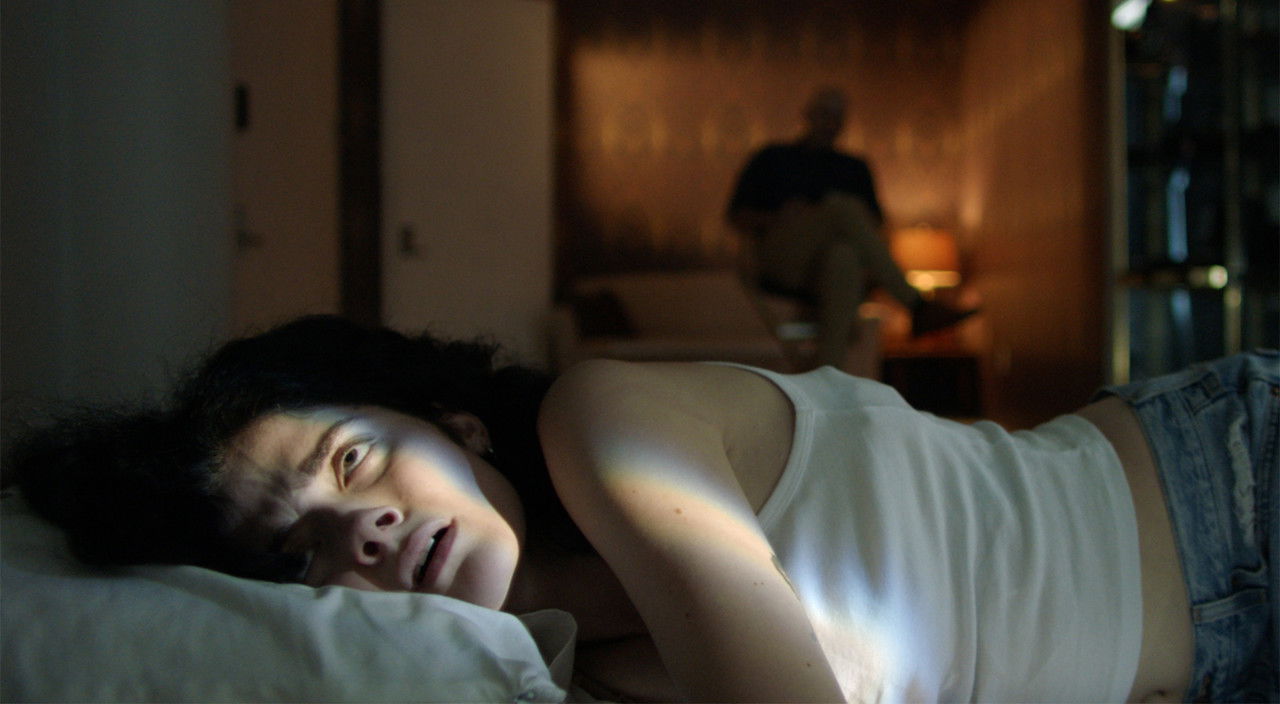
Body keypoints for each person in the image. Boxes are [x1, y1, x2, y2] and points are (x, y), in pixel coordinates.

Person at [6, 315, 1276, 702]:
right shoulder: (565, 677)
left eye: (351, 463)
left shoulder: (603, 422)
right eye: (298, 554)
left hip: (1229, 491)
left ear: (452, 424)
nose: (362, 531)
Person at [728, 87, 977, 369]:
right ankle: (917, 306)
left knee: (843, 257)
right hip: (784, 257)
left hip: (829, 263)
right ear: (807, 115)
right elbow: (737, 217)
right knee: (841, 207)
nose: (829, 123)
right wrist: (781, 216)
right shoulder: (772, 158)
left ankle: (828, 376)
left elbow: (874, 226)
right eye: (824, 114)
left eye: (836, 117)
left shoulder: (854, 168)